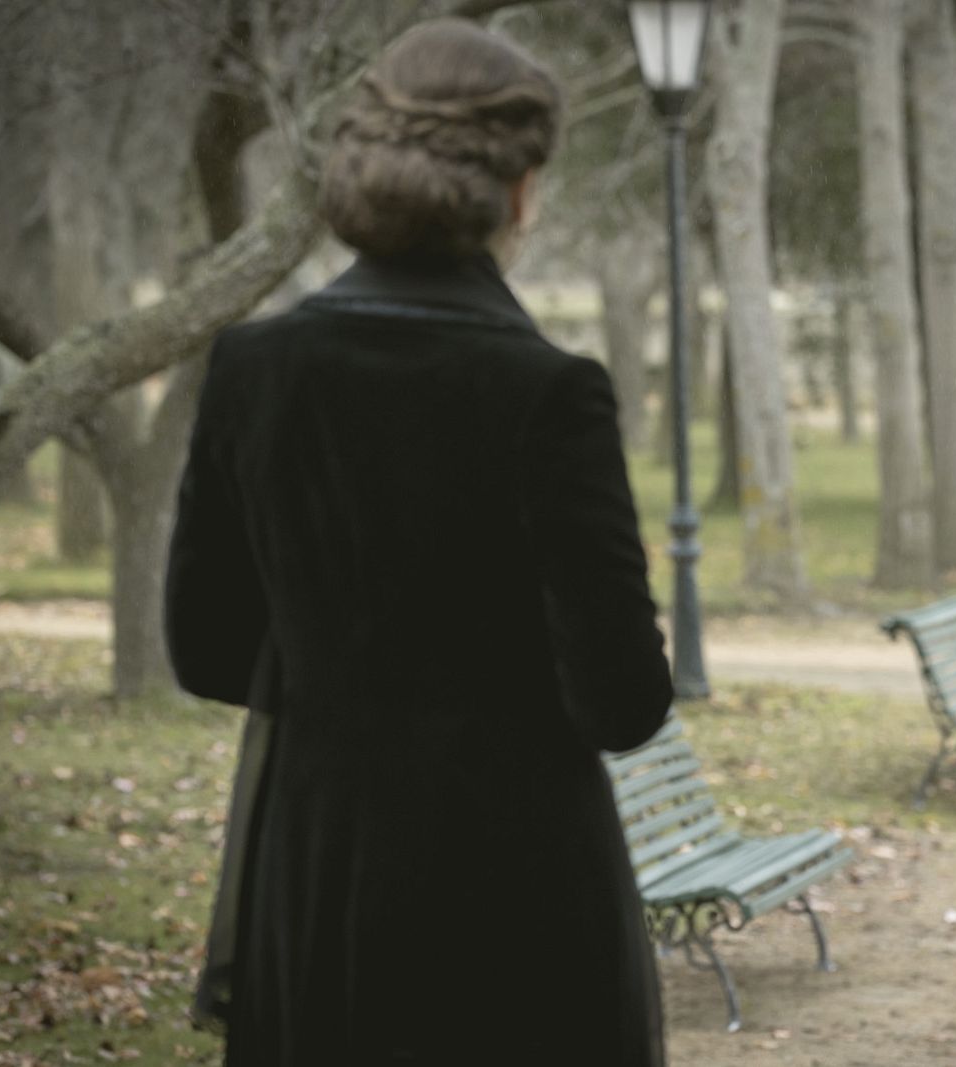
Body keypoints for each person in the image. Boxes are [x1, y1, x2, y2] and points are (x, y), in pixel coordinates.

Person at [164, 19, 673, 1066]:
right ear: (522, 187)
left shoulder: (251, 367)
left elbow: (206, 647)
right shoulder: (550, 395)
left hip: (317, 869)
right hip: (518, 885)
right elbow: (622, 703)